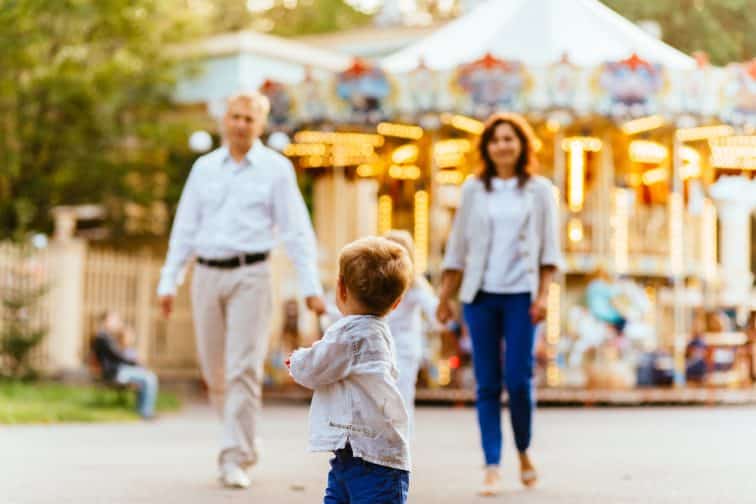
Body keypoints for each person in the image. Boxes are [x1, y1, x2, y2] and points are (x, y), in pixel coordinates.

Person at [157, 91, 326, 489]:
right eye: (235, 117)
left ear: (261, 125)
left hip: (251, 275)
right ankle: (243, 436)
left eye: (249, 119)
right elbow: (184, 228)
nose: (241, 125)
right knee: (214, 371)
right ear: (223, 121)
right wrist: (169, 280)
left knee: (242, 370)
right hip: (206, 275)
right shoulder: (204, 169)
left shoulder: (275, 169)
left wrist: (310, 286)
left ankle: (235, 456)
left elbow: (296, 231)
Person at [436, 112, 561, 496]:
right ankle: (491, 465)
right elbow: (457, 248)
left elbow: (550, 253)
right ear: (486, 148)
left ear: (522, 145)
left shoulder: (541, 191)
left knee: (519, 381)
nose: (502, 145)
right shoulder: (474, 190)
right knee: (486, 383)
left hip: (522, 296)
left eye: (510, 138)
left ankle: (523, 450)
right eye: (495, 140)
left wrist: (542, 296)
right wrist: (446, 296)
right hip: (480, 296)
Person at [288, 237, 414, 504]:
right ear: (396, 303)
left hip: (370, 460)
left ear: (341, 289)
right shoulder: (373, 330)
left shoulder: (350, 334)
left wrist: (297, 360)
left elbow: (315, 367)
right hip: (362, 455)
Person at [383, 230, 439, 429]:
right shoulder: (379, 282)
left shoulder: (416, 285)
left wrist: (441, 317)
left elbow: (433, 309)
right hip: (380, 347)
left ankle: (401, 449)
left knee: (402, 398)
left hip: (405, 349)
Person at [91, 311, 158, 419]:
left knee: (146, 377)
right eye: (114, 320)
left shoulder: (105, 337)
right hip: (114, 372)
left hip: (116, 370)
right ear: (106, 321)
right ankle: (145, 412)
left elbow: (118, 355)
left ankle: (142, 409)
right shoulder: (103, 338)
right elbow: (117, 356)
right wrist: (135, 363)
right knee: (149, 377)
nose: (117, 323)